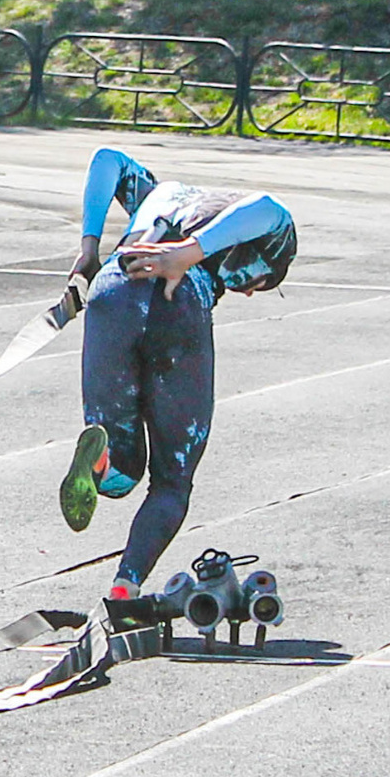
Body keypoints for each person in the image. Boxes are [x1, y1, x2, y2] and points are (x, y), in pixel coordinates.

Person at [58, 145, 298, 601]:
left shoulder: (162, 194)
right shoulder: (264, 242)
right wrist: (189, 254)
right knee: (171, 480)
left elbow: (107, 158)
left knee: (123, 474)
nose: (247, 292)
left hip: (112, 289)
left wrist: (89, 249)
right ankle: (125, 587)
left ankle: (101, 460)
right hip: (179, 304)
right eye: (259, 285)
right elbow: (269, 208)